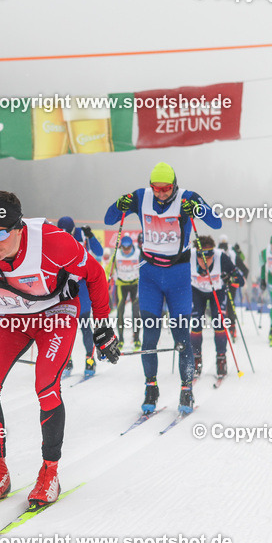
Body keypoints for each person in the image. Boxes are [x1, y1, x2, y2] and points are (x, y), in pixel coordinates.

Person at [0, 191, 118, 506]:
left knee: (46, 386)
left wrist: (102, 326)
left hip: (54, 315)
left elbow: (95, 275)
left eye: (0, 234)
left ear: (19, 229)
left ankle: (49, 472)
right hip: (8, 318)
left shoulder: (52, 242)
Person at [104, 162, 221, 414]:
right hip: (150, 275)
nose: (160, 194)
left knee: (182, 337)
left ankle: (186, 389)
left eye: (165, 189)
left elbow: (216, 222)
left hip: (178, 275)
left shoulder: (187, 197)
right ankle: (151, 387)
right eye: (156, 189)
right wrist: (119, 205)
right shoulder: (140, 197)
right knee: (150, 336)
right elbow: (109, 218)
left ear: (174, 185)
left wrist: (198, 209)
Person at [56, 216, 103, 378]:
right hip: (63, 287)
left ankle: (90, 359)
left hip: (81, 286)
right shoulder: (56, 235)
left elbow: (100, 252)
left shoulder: (82, 234)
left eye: (68, 234)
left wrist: (91, 236)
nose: (66, 238)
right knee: (64, 327)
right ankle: (66, 361)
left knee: (84, 324)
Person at [190, 236, 240, 380]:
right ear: (196, 253)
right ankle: (196, 359)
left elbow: (239, 278)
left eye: (209, 256)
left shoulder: (221, 257)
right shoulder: (189, 256)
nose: (205, 260)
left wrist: (229, 278)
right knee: (195, 324)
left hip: (216, 292)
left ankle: (221, 359)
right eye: (201, 257)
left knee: (219, 323)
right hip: (196, 292)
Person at [108, 235, 141, 349]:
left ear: (132, 246)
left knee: (136, 313)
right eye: (124, 248)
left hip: (135, 284)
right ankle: (121, 339)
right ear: (121, 246)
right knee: (120, 312)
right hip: (121, 285)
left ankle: (136, 339)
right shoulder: (116, 254)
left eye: (128, 248)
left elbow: (145, 267)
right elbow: (109, 269)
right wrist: (106, 278)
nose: (126, 251)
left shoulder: (138, 253)